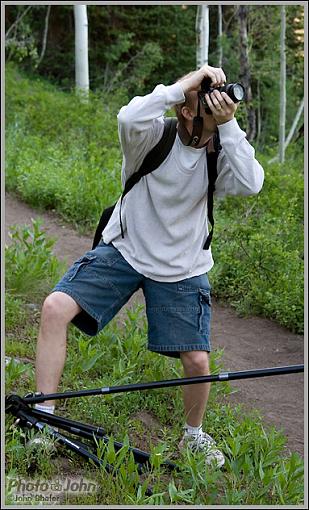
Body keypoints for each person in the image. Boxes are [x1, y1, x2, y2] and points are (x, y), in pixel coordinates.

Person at [33, 64, 264, 468]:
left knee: (197, 361)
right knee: (55, 308)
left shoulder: (221, 155)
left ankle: (193, 435)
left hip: (183, 265)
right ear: (184, 108)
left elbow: (252, 183)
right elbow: (129, 115)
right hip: (125, 249)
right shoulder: (151, 138)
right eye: (202, 97)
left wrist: (228, 128)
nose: (211, 101)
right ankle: (43, 417)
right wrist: (185, 84)